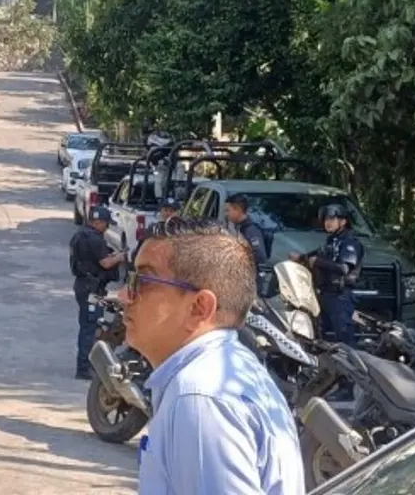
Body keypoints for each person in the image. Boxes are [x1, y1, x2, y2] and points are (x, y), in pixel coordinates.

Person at [120, 216, 304, 495]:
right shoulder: (226, 371)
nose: (124, 295)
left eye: (141, 281)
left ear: (199, 307)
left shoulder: (199, 396)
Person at [289, 203, 364, 347]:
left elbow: (344, 268)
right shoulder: (331, 241)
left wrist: (318, 262)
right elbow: (315, 254)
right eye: (326, 220)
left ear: (343, 222)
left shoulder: (350, 243)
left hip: (340, 297)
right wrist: (300, 258)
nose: (328, 223)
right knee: (323, 337)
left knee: (344, 338)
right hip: (324, 294)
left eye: (332, 219)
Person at [68, 205, 127, 380]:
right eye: (106, 224)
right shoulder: (93, 239)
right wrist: (122, 256)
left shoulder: (81, 235)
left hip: (89, 287)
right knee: (90, 326)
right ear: (98, 222)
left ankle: (91, 363)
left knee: (95, 325)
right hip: (90, 288)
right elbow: (105, 264)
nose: (107, 227)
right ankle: (84, 368)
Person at [225, 193, 268, 266]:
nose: (226, 214)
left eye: (228, 210)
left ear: (237, 210)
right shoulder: (238, 227)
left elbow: (261, 257)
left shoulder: (251, 230)